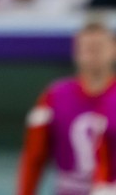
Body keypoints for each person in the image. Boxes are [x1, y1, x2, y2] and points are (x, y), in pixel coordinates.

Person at [18, 22, 116, 195]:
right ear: (76, 51)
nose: (93, 54)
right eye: (88, 48)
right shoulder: (54, 97)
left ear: (113, 49)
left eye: (99, 47)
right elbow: (33, 157)